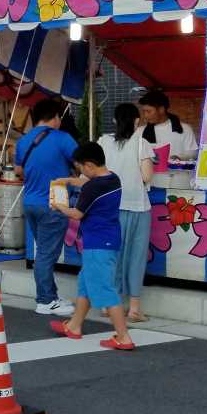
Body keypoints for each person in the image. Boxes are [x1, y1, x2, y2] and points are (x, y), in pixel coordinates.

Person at [50, 142, 135, 351]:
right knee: (86, 283)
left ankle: (123, 337)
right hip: (109, 239)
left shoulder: (92, 187)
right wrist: (69, 180)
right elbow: (86, 183)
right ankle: (74, 326)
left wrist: (59, 206)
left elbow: (77, 214)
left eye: (80, 167)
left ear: (88, 165)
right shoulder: (112, 178)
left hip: (97, 243)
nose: (80, 172)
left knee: (105, 288)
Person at [15, 99, 78, 316]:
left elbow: (18, 169)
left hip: (30, 202)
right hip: (54, 203)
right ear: (55, 117)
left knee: (43, 251)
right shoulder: (63, 139)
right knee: (46, 255)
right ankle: (45, 300)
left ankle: (50, 294)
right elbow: (81, 163)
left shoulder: (23, 141)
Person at [98, 103, 154, 323]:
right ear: (136, 121)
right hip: (137, 206)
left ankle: (108, 305)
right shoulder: (142, 143)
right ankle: (134, 309)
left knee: (112, 256)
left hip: (109, 206)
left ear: (114, 121)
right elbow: (147, 176)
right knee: (136, 256)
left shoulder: (103, 142)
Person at [138, 90, 198, 161]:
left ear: (161, 109)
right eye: (143, 112)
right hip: (149, 172)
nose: (145, 115)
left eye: (148, 111)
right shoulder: (140, 131)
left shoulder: (184, 129)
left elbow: (193, 153)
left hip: (178, 171)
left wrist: (178, 157)